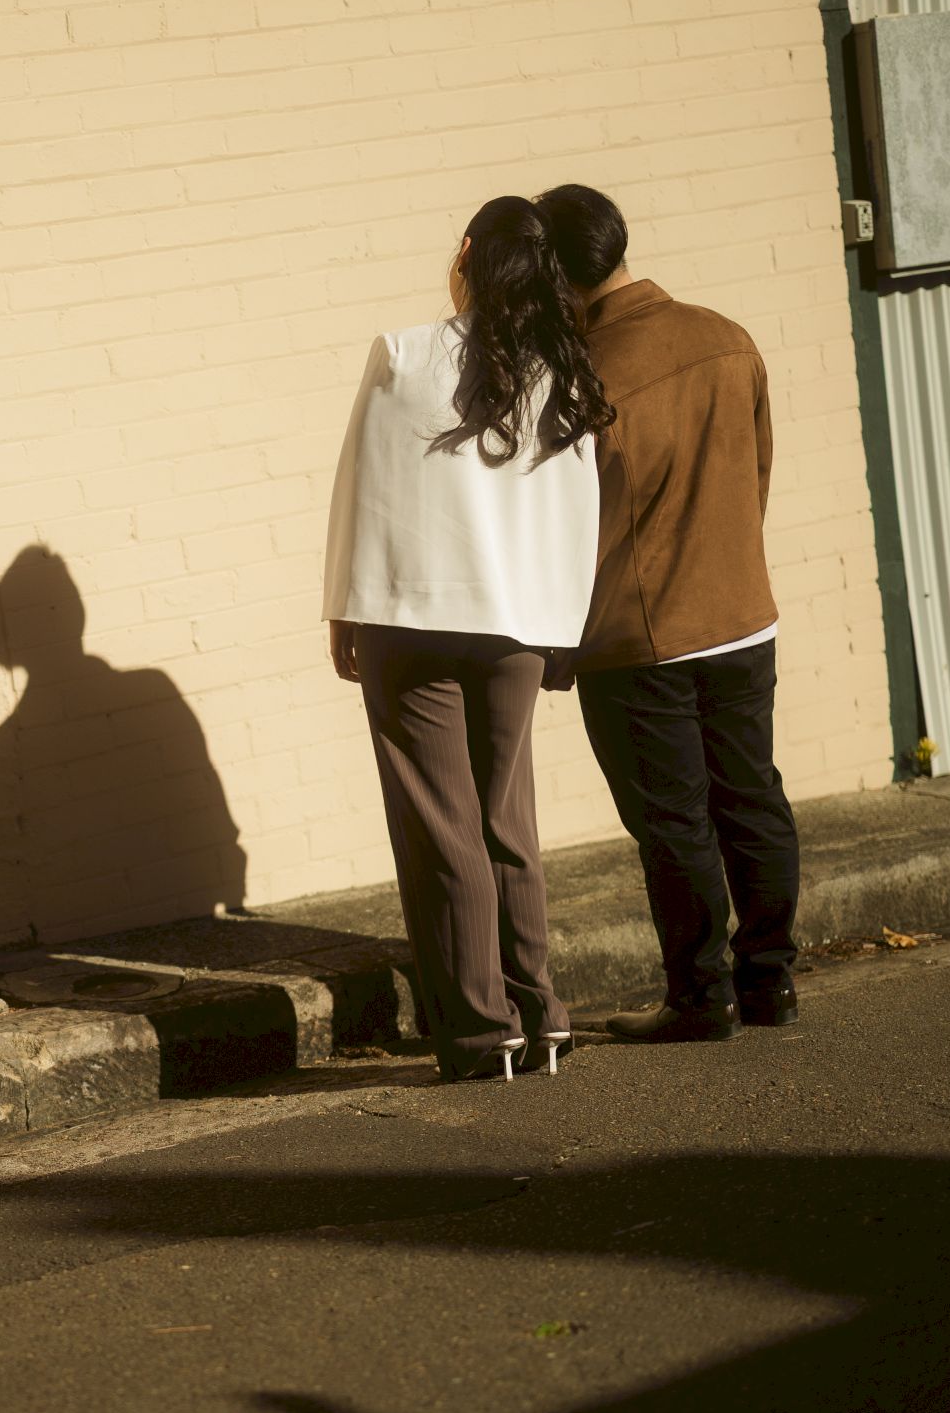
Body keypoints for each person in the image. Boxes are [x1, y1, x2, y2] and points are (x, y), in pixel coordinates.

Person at [323, 196, 610, 1083]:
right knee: (504, 817)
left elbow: (362, 487)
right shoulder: (562, 374)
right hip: (517, 623)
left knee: (442, 830)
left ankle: (485, 1034)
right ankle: (541, 1015)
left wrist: (343, 608)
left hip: (410, 618)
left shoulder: (403, 354)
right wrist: (562, 630)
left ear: (466, 257)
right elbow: (577, 515)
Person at [533, 183, 801, 1042]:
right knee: (752, 798)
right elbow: (756, 478)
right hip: (741, 616)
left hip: (639, 640)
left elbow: (573, 532)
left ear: (556, 273)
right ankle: (770, 982)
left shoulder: (581, 378)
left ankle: (699, 996)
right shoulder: (727, 338)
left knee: (673, 824)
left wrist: (556, 641)